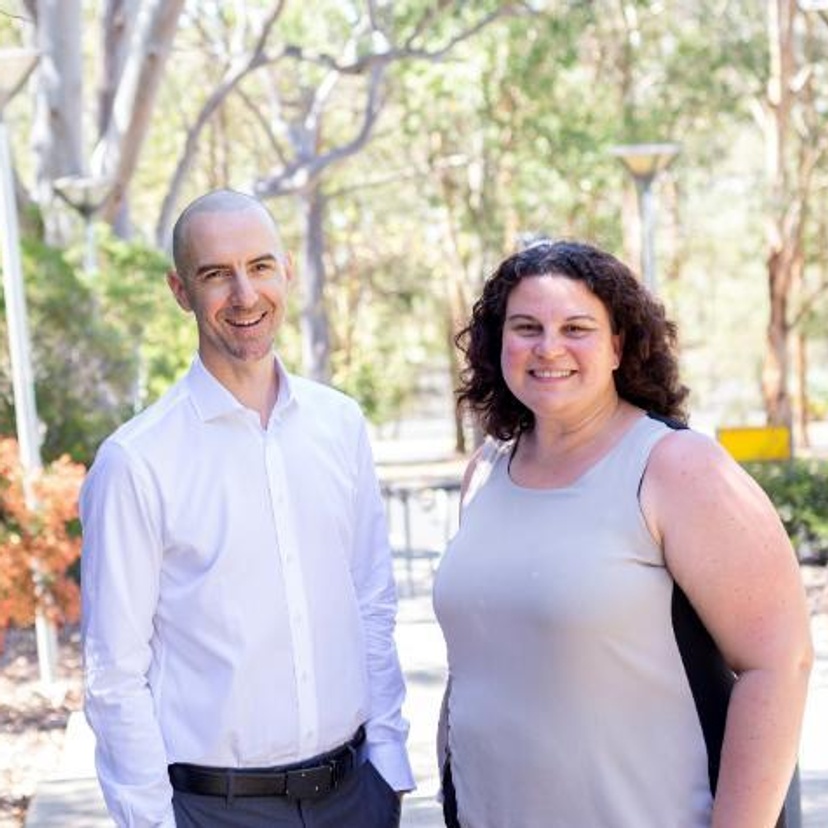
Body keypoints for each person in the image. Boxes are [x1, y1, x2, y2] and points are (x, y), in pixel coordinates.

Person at [432, 239, 813, 828]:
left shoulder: (675, 467)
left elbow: (779, 663)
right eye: (526, 326)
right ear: (496, 344)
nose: (548, 347)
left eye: (576, 327)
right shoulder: (484, 472)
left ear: (618, 345)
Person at [80, 188, 414, 828]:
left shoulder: (339, 425)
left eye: (260, 266)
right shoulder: (136, 462)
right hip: (215, 812)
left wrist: (388, 767)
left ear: (287, 270)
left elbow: (371, 601)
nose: (244, 294)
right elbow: (114, 674)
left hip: (355, 799)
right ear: (181, 291)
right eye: (215, 275)